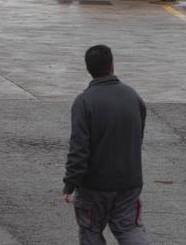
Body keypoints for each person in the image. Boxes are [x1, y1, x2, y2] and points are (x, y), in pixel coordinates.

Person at [62, 45, 150, 245]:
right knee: (130, 228)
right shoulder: (132, 96)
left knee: (91, 230)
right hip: (129, 181)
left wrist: (70, 182)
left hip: (95, 185)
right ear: (112, 64)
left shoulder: (85, 101)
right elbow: (138, 135)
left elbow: (79, 147)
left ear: (88, 68)